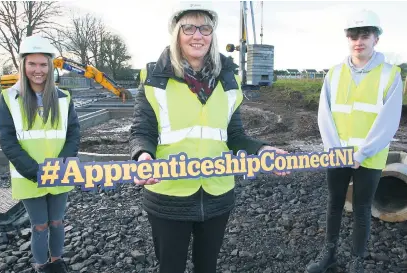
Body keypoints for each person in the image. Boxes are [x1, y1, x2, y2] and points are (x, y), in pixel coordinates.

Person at [129, 2, 289, 273]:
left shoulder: (228, 78)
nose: (197, 35)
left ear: (212, 35)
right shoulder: (155, 77)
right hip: (169, 195)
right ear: (176, 34)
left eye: (205, 28)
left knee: (207, 267)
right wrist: (143, 155)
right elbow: (141, 131)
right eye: (188, 28)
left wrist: (262, 150)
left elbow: (235, 135)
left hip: (217, 194)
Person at [307, 10, 403, 273]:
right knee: (334, 203)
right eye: (353, 36)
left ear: (376, 39)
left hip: (369, 157)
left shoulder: (390, 74)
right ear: (347, 39)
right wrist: (336, 151)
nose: (358, 41)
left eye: (365, 35)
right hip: (337, 154)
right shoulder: (334, 74)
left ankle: (356, 262)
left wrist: (362, 153)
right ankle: (329, 257)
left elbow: (388, 120)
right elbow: (324, 116)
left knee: (361, 208)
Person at [0, 35, 80, 273]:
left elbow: (73, 133)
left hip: (60, 173)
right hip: (29, 175)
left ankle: (57, 262)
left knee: (57, 222)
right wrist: (35, 171)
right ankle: (41, 266)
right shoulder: (9, 98)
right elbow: (8, 140)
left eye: (43, 64)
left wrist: (61, 165)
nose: (38, 70)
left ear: (51, 66)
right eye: (32, 64)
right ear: (22, 65)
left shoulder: (63, 98)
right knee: (40, 225)